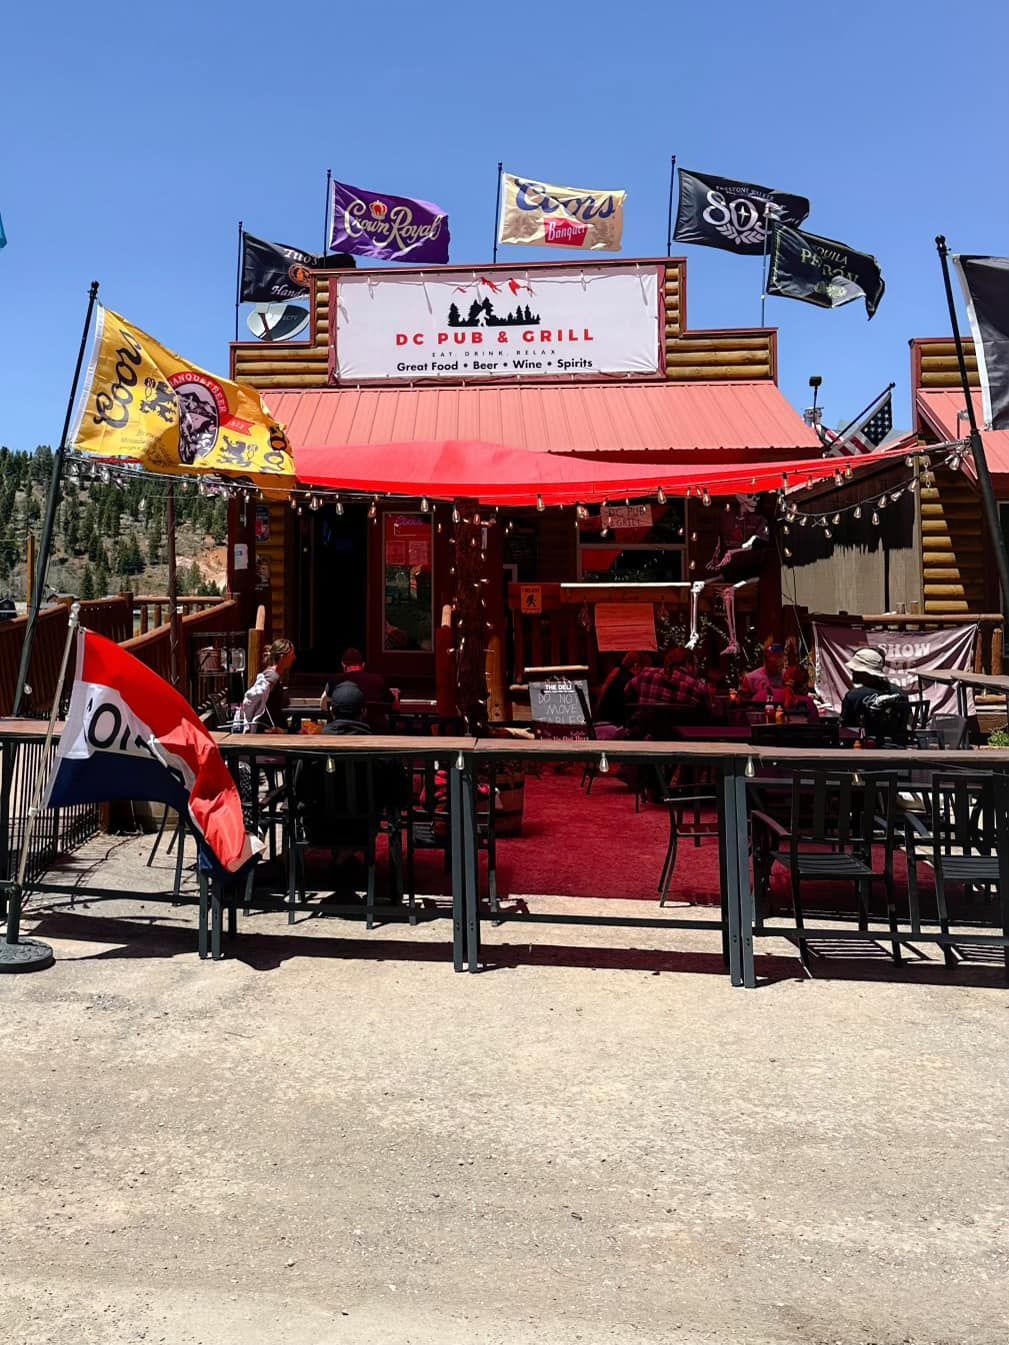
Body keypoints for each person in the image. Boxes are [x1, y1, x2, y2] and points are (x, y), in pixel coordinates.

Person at [626, 646, 711, 734]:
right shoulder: (698, 686)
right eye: (696, 665)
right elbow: (708, 713)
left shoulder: (646, 673)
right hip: (680, 739)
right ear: (688, 664)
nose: (697, 669)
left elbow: (627, 691)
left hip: (642, 734)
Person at [840, 647, 910, 745]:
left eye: (854, 670)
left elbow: (846, 728)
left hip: (864, 748)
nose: (852, 672)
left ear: (865, 673)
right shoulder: (900, 693)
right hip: (898, 746)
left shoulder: (853, 696)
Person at [232, 638, 296, 733]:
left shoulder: (275, 675)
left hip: (276, 728)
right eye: (292, 655)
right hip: (269, 731)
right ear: (282, 657)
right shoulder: (272, 676)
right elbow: (254, 697)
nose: (294, 657)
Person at [321, 648, 393, 723]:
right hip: (374, 730)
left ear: (343, 664)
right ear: (363, 665)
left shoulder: (334, 681)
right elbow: (390, 701)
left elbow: (324, 700)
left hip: (342, 729)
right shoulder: (378, 680)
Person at [594, 651, 651, 727]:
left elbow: (603, 692)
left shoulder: (617, 672)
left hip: (603, 719)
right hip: (618, 724)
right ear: (636, 665)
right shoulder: (632, 681)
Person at [740, 641, 786, 708]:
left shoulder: (787, 675)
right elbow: (742, 704)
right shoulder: (751, 678)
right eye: (775, 665)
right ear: (766, 661)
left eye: (781, 664)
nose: (779, 666)